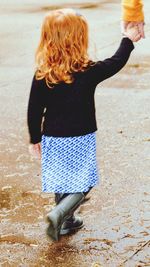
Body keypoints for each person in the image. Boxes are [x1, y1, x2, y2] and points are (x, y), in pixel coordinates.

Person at [27, 8, 141, 241]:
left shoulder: (43, 73)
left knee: (62, 178)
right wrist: (128, 39)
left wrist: (34, 138)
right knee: (83, 181)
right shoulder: (87, 71)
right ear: (79, 39)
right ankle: (60, 212)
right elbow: (115, 62)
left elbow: (34, 108)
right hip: (80, 137)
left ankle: (66, 222)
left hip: (53, 136)